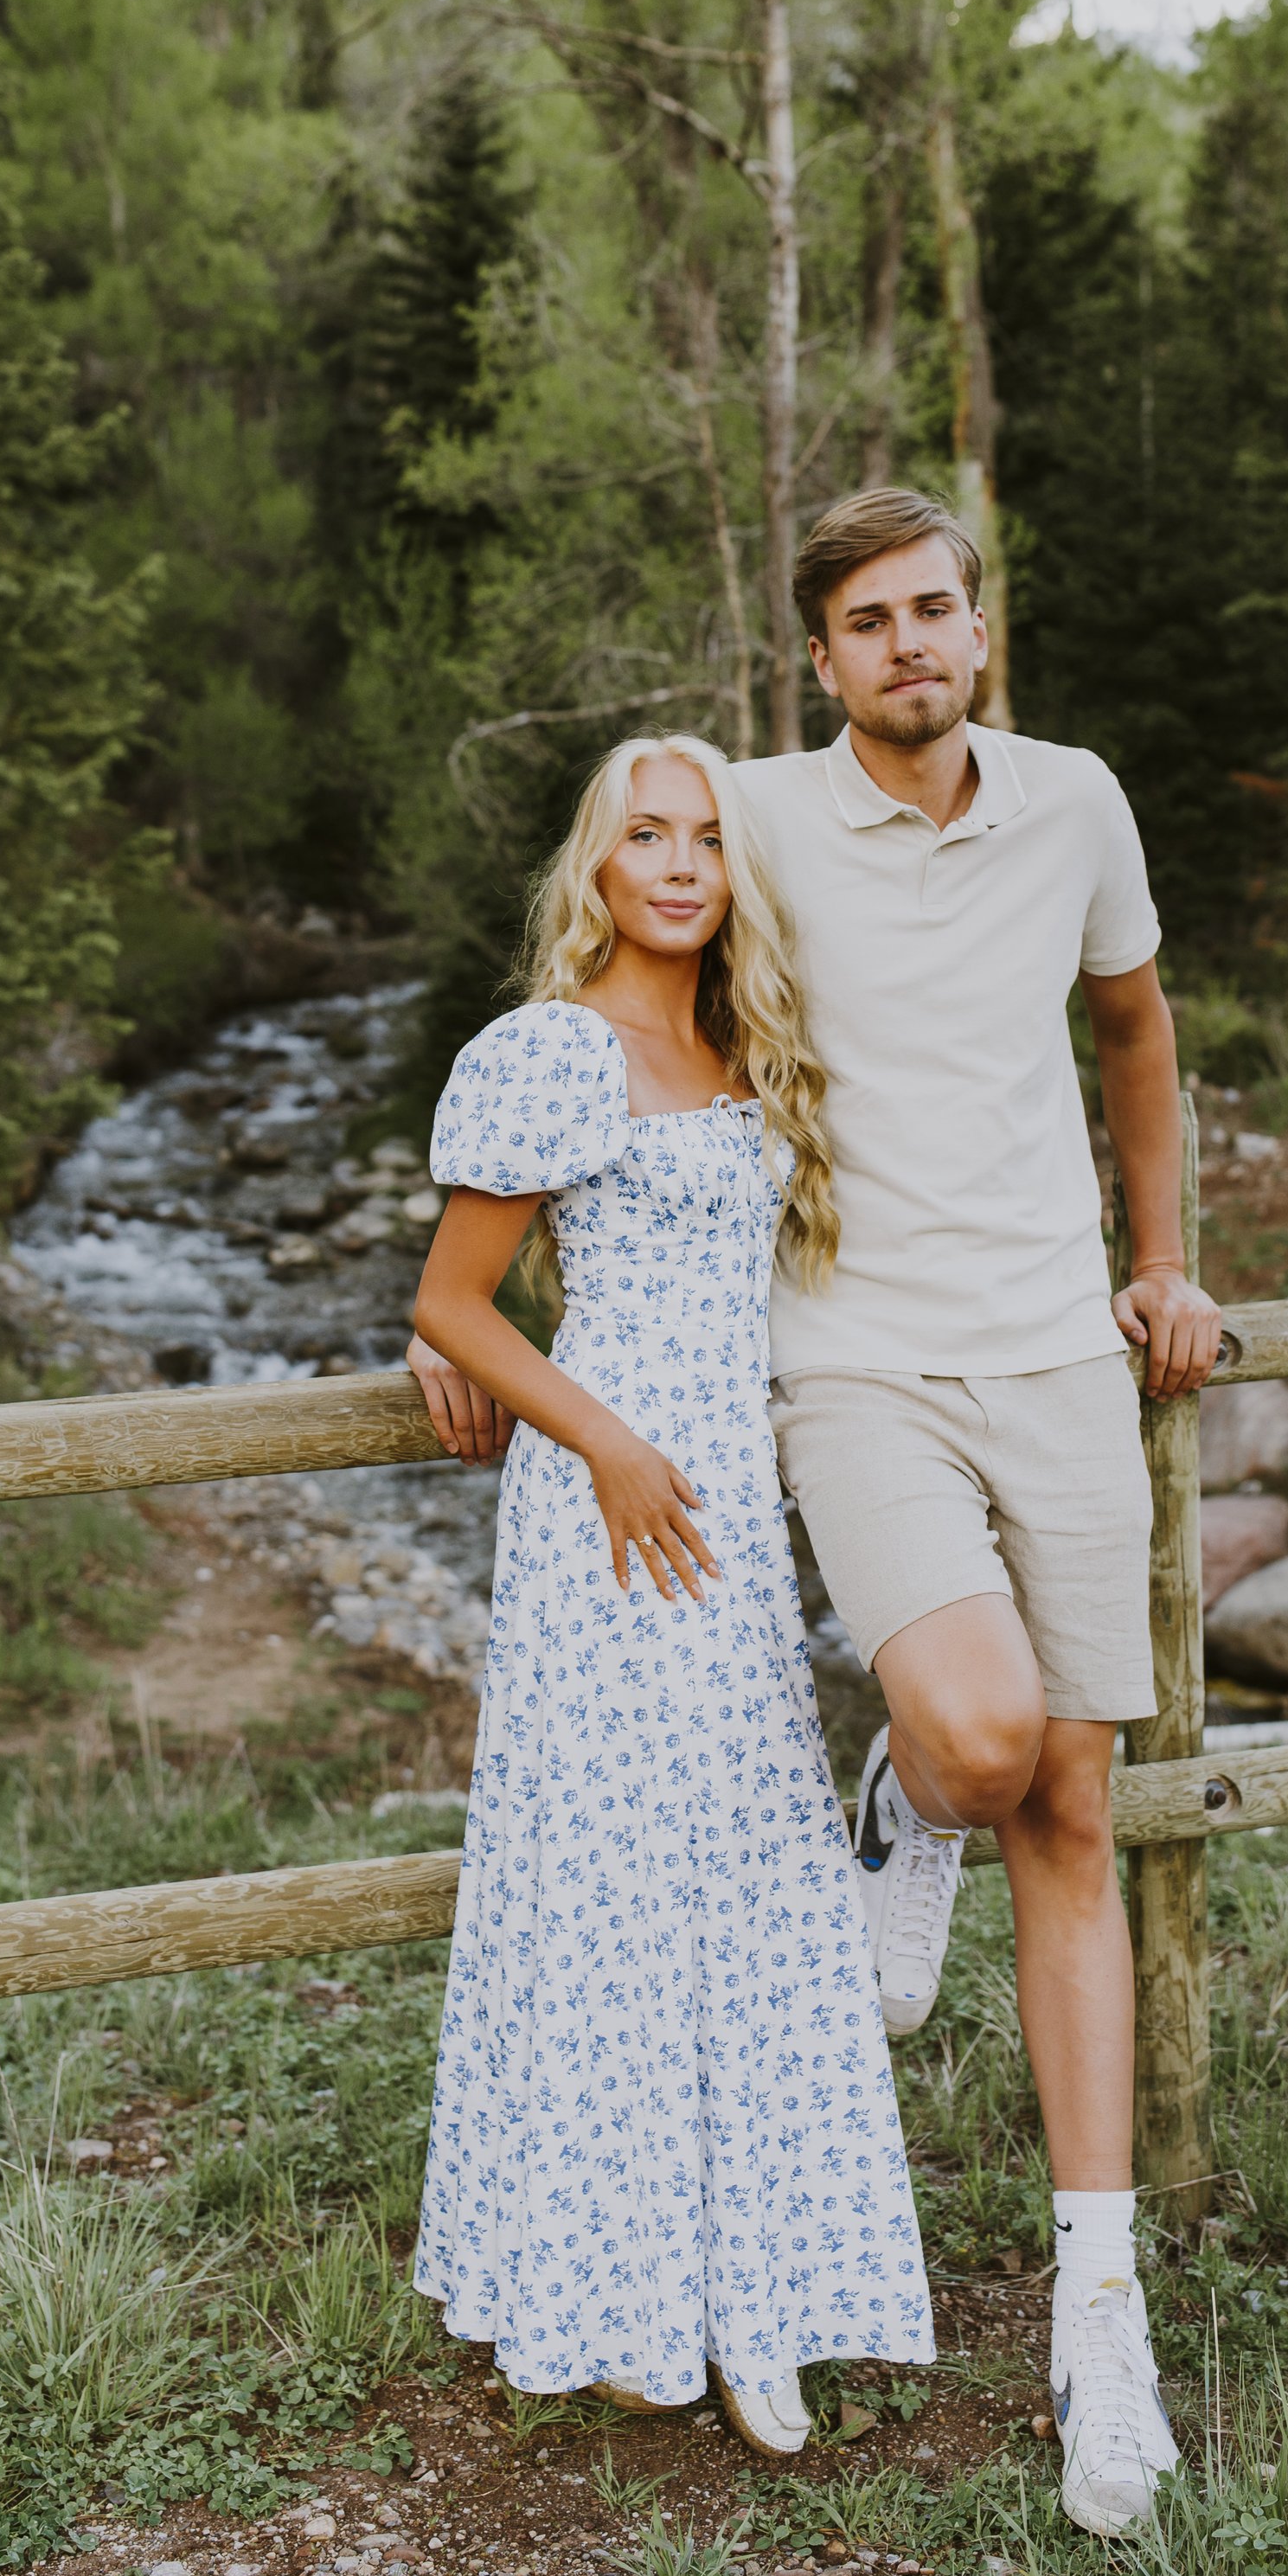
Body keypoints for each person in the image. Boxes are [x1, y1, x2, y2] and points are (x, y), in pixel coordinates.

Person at [730, 488, 1225, 2538]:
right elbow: (618, 1019)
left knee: (1075, 1814)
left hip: (1059, 1359)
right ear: (820, 659)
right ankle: (900, 1793)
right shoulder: (750, 820)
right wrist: (481, 1289)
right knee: (978, 1733)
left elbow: (1134, 1030)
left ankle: (1096, 2318)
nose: (909, 642)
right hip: (849, 1353)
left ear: (977, 629)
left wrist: (1163, 1258)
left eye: (934, 608)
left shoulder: (1073, 799)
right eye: (868, 621)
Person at [407, 731, 932, 2461]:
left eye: (707, 836)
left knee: (753, 1864)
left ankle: (756, 2291)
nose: (682, 862)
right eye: (648, 834)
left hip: (728, 1506)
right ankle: (622, 2298)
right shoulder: (553, 1048)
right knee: (617, 1881)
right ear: (599, 864)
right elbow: (456, 1302)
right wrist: (605, 1442)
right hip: (609, 1509)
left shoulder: (745, 1047)